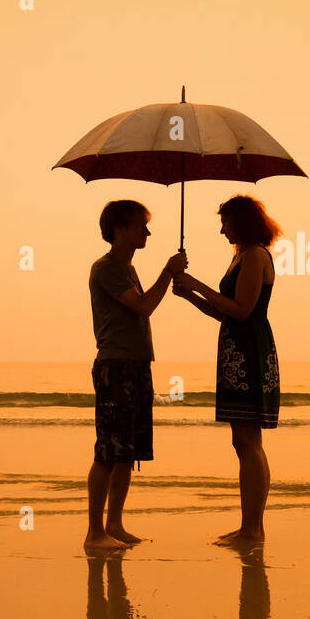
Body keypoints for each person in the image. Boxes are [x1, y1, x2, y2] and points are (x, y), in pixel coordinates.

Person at [172, 195, 281, 547]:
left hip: (248, 354)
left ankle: (253, 530)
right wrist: (189, 295)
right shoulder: (240, 256)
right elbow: (224, 313)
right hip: (237, 352)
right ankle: (251, 527)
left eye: (225, 222)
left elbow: (241, 309)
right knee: (245, 442)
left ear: (241, 222)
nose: (221, 229)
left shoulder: (254, 256)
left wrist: (197, 284)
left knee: (247, 443)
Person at [84, 200, 187, 553]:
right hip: (116, 366)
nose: (147, 231)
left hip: (138, 364)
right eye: (141, 225)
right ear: (120, 228)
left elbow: (143, 306)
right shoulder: (107, 268)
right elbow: (143, 307)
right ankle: (94, 531)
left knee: (128, 452)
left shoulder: (128, 269)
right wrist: (168, 273)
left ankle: (115, 524)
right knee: (108, 451)